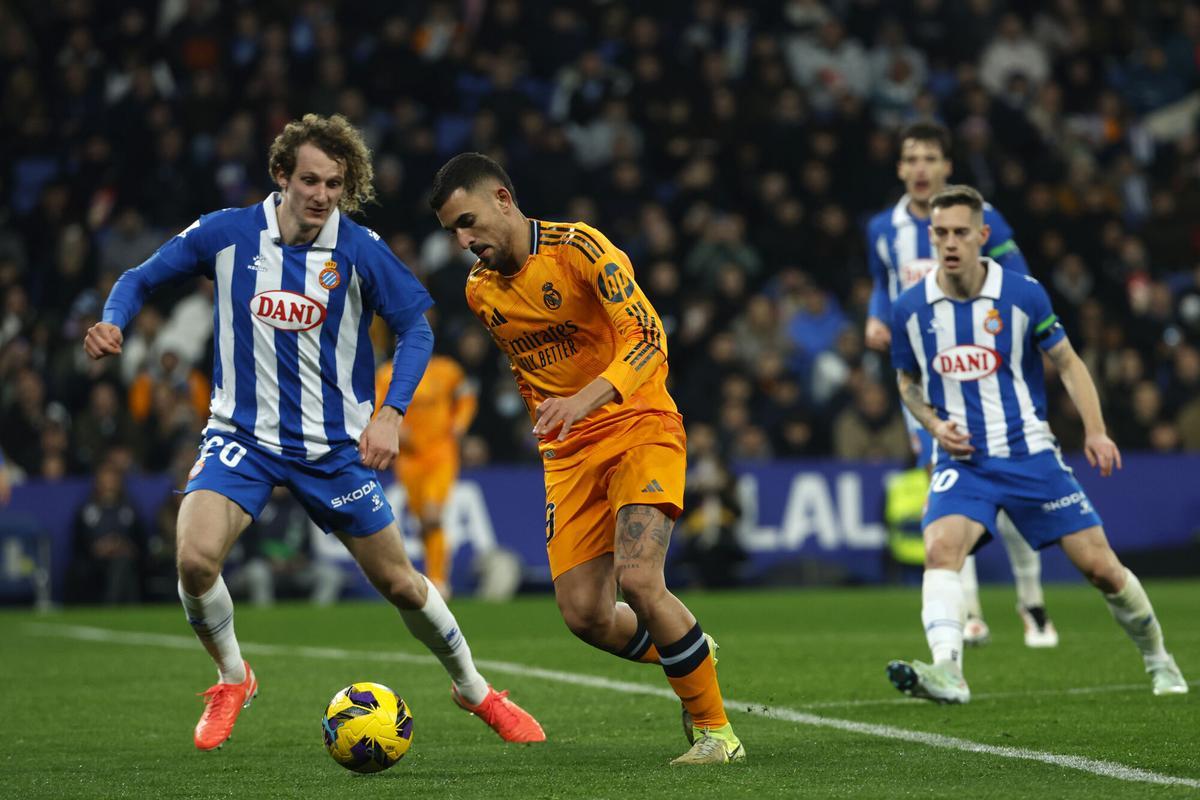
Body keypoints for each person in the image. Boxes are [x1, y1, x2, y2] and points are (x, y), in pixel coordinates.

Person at [83, 114, 543, 751]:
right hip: (241, 436)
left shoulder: (358, 248)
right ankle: (232, 677)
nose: (322, 194)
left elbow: (416, 328)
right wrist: (114, 320)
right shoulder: (227, 234)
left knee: (402, 584)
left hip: (333, 449)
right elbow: (138, 278)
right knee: (193, 558)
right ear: (281, 176)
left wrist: (390, 412)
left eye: (334, 183)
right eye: (310, 180)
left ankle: (475, 689)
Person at [430, 152, 744, 765]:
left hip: (638, 424)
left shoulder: (580, 248)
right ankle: (690, 651)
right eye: (452, 233)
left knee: (639, 578)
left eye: (468, 222)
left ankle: (716, 733)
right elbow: (529, 373)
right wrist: (553, 422)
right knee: (585, 615)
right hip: (570, 454)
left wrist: (584, 399)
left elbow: (648, 338)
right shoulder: (480, 293)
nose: (464, 241)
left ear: (502, 198)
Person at [885, 185, 1188, 702]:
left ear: (983, 235)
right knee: (940, 553)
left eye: (961, 232)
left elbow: (1067, 361)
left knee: (1102, 570)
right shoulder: (910, 308)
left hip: (1030, 455)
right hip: (963, 462)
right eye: (941, 233)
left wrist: (1095, 430)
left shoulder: (1023, 294)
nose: (951, 242)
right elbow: (907, 383)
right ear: (930, 237)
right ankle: (948, 673)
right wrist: (934, 426)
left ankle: (1160, 659)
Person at [863, 121, 1056, 648]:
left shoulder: (985, 219)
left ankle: (1031, 601)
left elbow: (1022, 281)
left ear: (948, 167)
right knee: (946, 489)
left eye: (930, 157)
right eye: (911, 159)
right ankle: (969, 613)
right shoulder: (884, 228)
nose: (920, 168)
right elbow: (884, 285)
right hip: (926, 386)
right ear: (900, 168)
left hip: (989, 379)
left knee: (1009, 493)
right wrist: (875, 317)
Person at [375, 351, 477, 598]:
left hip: (441, 453)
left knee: (433, 515)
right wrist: (394, 430)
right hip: (409, 460)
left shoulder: (446, 369)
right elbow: (376, 409)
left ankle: (439, 582)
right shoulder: (386, 373)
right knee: (423, 521)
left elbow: (466, 395)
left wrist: (460, 423)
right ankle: (435, 576)